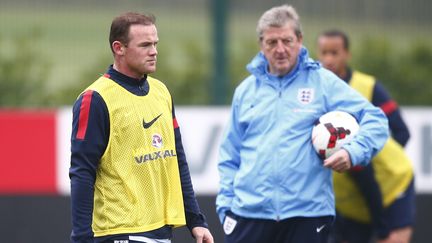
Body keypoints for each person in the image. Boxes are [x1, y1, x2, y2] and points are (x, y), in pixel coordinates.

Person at [215, 4, 389, 243]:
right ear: (261, 45)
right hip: (248, 213)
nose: (280, 49)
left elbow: (376, 119)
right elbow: (230, 155)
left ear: (299, 40)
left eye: (287, 41)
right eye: (271, 42)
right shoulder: (245, 91)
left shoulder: (323, 83)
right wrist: (225, 207)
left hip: (307, 215)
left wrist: (353, 152)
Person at [69, 12, 213, 243]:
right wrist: (82, 238)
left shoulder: (161, 92)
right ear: (119, 48)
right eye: (145, 44)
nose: (154, 51)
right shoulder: (95, 99)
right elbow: (82, 173)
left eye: (155, 44)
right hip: (120, 232)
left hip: (160, 231)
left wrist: (196, 220)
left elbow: (177, 159)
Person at [317, 30, 415, 243]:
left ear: (347, 54)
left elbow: (401, 132)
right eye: (324, 53)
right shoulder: (312, 93)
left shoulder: (367, 87)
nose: (328, 59)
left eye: (335, 53)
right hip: (351, 199)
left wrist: (369, 156)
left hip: (390, 185)